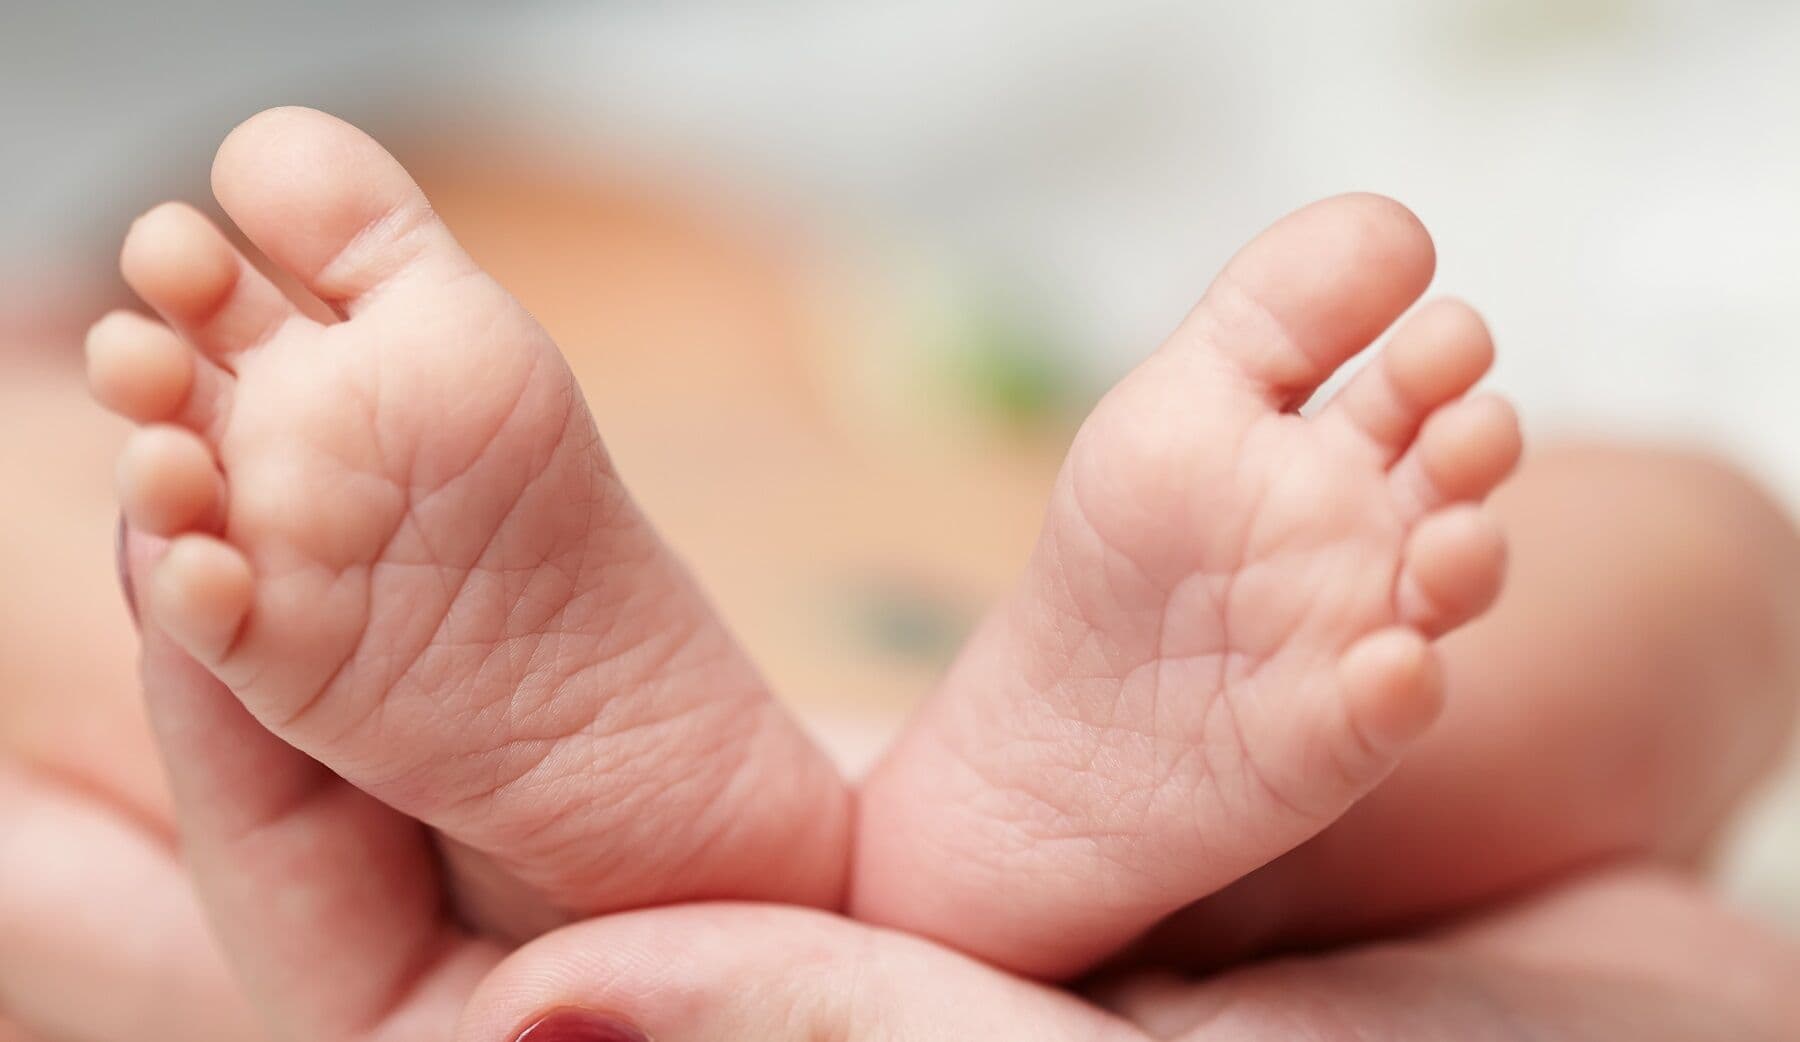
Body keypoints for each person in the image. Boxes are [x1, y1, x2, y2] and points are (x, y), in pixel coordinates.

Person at [5, 107, 1798, 1040]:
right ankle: (1219, 877)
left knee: (109, 552)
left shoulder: (1021, 424)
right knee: (1696, 544)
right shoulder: (1060, 464)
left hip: (917, 659)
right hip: (1052, 680)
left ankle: (567, 874)